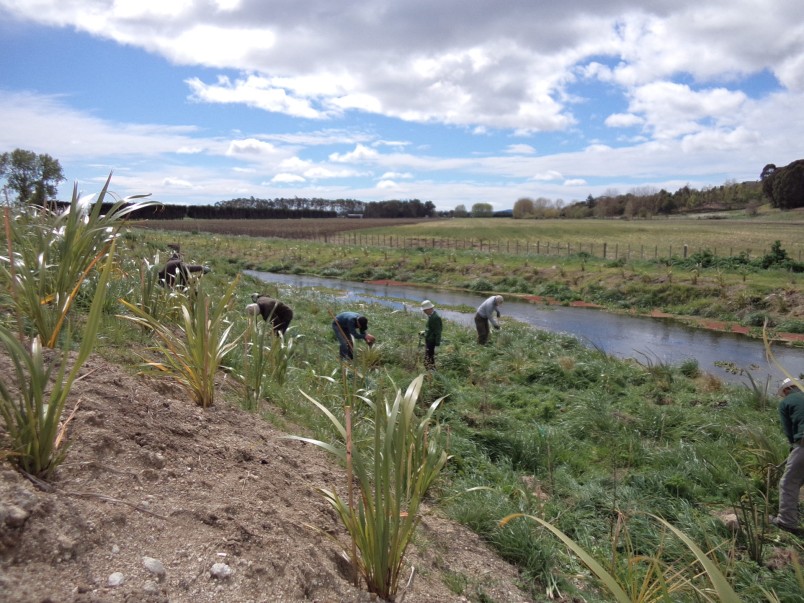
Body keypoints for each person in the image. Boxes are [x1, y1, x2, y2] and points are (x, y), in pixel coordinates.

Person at [771, 377, 804, 536]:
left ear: (785, 390)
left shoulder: (787, 402)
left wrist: (794, 447)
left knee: (788, 482)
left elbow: (790, 432)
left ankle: (786, 522)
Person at [420, 300, 443, 370]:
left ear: (430, 309)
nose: (424, 312)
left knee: (428, 359)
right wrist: (425, 332)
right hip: (429, 340)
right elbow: (431, 329)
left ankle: (432, 372)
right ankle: (431, 371)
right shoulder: (431, 316)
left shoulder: (435, 318)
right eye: (424, 310)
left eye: (425, 310)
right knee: (428, 358)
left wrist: (437, 345)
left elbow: (438, 332)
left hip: (432, 342)